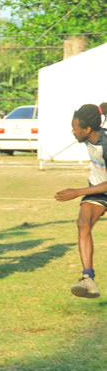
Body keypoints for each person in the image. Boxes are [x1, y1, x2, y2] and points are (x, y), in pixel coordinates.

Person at [54, 102, 107, 298]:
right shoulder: (88, 137)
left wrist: (77, 191)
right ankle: (88, 279)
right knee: (83, 223)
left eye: (76, 128)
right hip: (98, 189)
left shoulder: (105, 144)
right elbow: (100, 108)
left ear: (88, 129)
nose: (73, 131)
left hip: (101, 187)